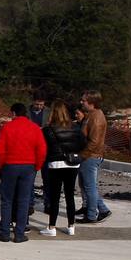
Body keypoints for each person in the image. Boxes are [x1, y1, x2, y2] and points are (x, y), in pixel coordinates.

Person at [0, 102, 46, 243]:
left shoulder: (7, 128)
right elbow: (41, 150)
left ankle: (4, 232)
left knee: (7, 200)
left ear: (13, 113)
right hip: (28, 167)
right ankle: (20, 233)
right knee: (24, 200)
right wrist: (37, 167)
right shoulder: (35, 128)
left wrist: (1, 167)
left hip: (10, 166)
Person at [41, 99, 85, 236]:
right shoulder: (76, 128)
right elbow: (82, 144)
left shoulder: (48, 129)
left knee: (54, 196)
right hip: (73, 163)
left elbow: (44, 148)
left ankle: (52, 227)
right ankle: (71, 226)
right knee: (69, 195)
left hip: (56, 163)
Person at [77, 90, 113, 224]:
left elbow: (94, 141)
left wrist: (81, 156)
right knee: (87, 185)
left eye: (83, 101)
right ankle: (101, 209)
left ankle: (92, 215)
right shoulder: (91, 115)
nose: (81, 102)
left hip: (91, 156)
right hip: (89, 155)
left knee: (89, 186)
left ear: (91, 102)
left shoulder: (96, 117)